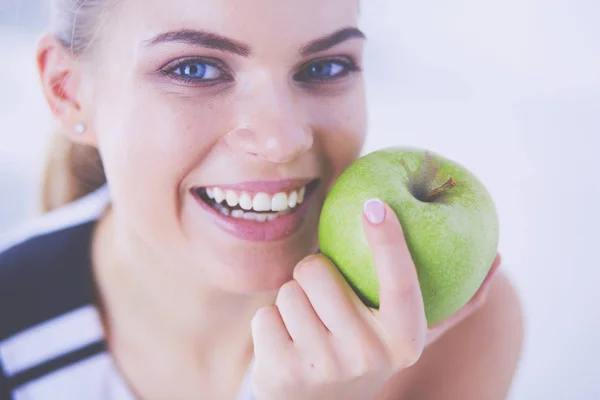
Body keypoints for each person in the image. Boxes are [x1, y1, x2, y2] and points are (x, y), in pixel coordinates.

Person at [0, 0, 524, 399]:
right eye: (195, 69)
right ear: (67, 91)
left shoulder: (442, 326)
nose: (281, 141)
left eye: (325, 67)